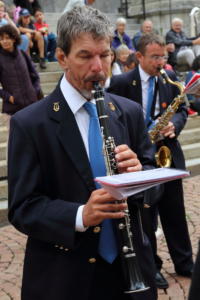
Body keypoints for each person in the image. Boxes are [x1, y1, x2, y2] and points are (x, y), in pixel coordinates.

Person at [8, 6, 158, 300]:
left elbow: (153, 189)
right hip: (65, 277)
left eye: (104, 54)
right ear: (62, 57)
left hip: (130, 272)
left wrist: (140, 177)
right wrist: (80, 215)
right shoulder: (30, 123)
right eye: (85, 56)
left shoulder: (128, 112)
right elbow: (23, 208)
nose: (98, 68)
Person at [108, 33, 194, 289]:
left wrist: (174, 127)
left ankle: (184, 262)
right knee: (147, 215)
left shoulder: (168, 79)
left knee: (175, 210)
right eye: (155, 57)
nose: (161, 62)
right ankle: (152, 266)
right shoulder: (122, 82)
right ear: (139, 56)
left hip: (167, 152)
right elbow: (112, 113)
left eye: (164, 56)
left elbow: (181, 110)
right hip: (139, 155)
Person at [0, 24, 41, 118]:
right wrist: (9, 97)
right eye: (1, 39)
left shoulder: (22, 54)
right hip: (13, 108)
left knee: (34, 132)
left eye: (7, 38)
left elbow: (35, 76)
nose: (4, 41)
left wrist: (35, 91)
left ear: (14, 39)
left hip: (32, 104)